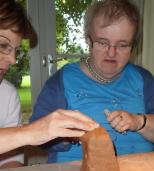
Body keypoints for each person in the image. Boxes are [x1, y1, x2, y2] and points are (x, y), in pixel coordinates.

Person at [30, 0, 154, 163]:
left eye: (122, 45)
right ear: (88, 40)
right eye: (102, 42)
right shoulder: (61, 81)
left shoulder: (143, 78)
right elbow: (37, 133)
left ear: (133, 46)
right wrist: (69, 135)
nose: (112, 52)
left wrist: (138, 121)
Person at [0, 0, 99, 160]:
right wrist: (29, 132)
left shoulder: (8, 95)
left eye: (15, 50)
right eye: (3, 45)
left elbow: (10, 163)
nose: (12, 59)